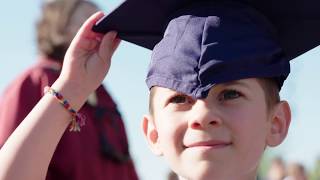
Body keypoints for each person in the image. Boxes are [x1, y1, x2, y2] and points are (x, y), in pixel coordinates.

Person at [0, 1, 298, 180]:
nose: (203, 115)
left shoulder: (108, 106)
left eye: (231, 94)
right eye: (180, 98)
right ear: (152, 133)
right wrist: (72, 88)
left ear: (276, 122)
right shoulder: (41, 81)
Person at [0, 1, 138, 180]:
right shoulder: (36, 81)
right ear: (60, 27)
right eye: (91, 21)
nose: (102, 29)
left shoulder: (104, 96)